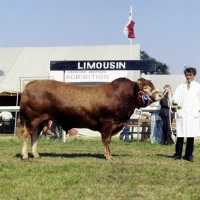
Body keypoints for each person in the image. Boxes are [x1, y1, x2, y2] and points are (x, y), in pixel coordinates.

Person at [172, 67, 200, 162]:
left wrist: (197, 110)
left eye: (190, 75)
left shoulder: (198, 87)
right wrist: (179, 109)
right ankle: (177, 154)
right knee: (180, 135)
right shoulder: (180, 87)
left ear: (194, 76)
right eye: (187, 75)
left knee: (190, 136)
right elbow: (176, 98)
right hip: (182, 113)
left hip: (192, 114)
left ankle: (189, 155)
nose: (188, 77)